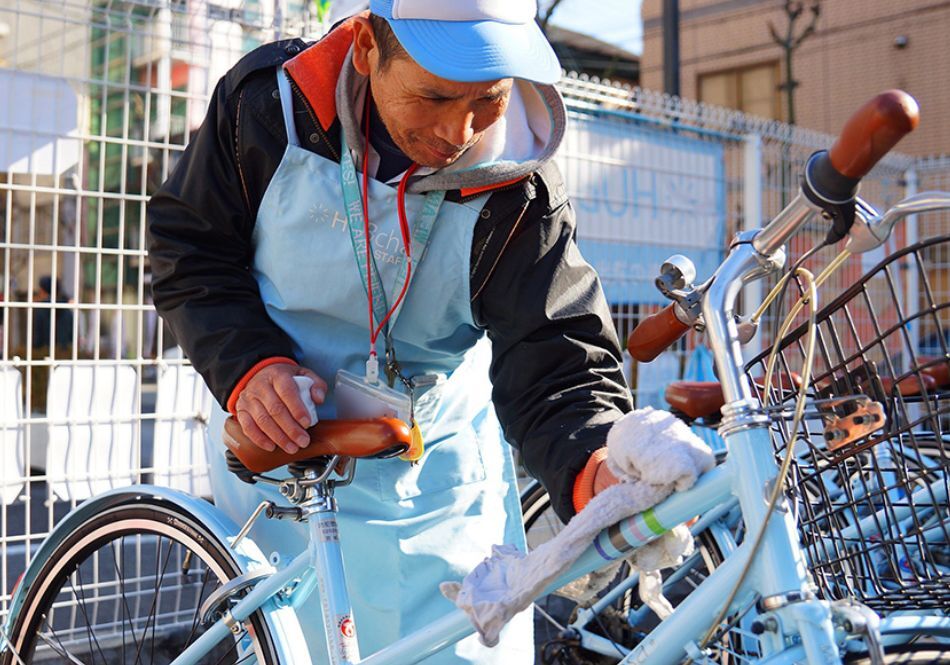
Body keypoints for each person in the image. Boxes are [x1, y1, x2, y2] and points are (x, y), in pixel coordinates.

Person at [147, 1, 631, 661]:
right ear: (368, 44)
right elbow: (192, 250)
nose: (459, 132)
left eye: (488, 99)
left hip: (438, 475)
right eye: (433, 95)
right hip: (283, 449)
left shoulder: (518, 176)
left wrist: (597, 462)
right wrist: (249, 368)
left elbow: (554, 350)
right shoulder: (268, 109)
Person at [32, 275, 73, 351]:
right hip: (65, 354)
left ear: (43, 290)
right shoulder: (67, 310)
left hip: (45, 353)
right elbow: (72, 336)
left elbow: (38, 338)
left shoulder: (40, 310)